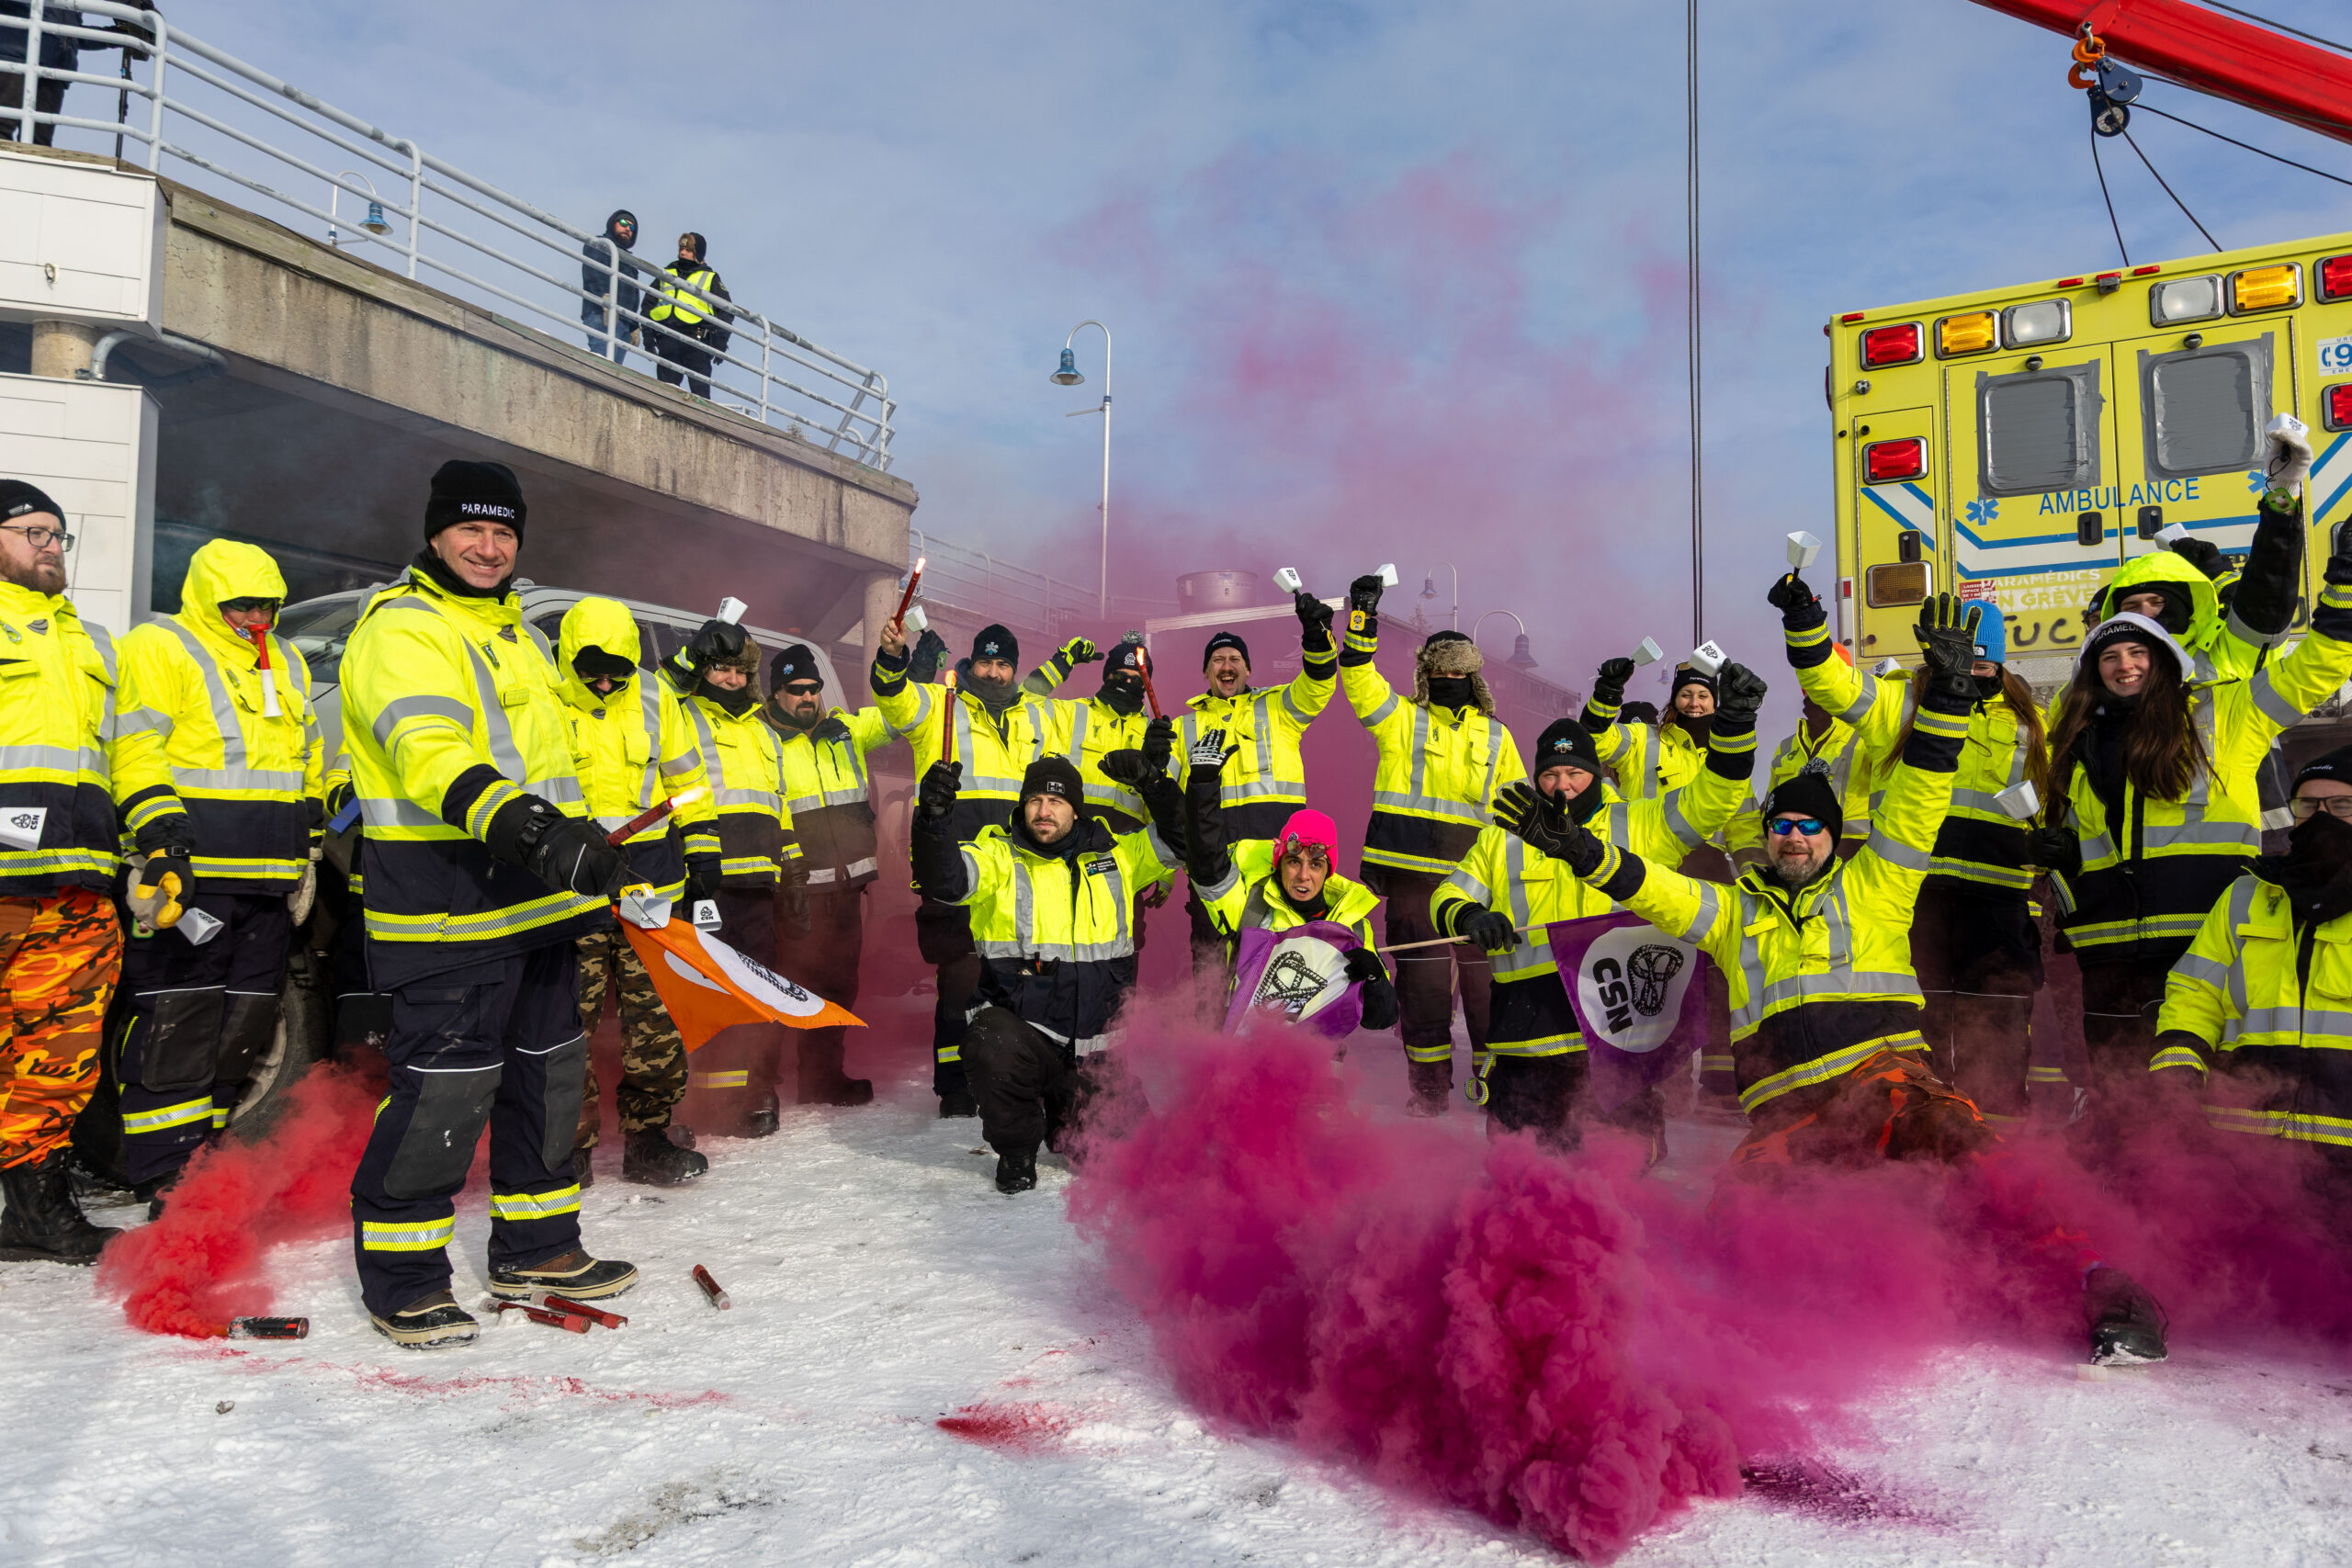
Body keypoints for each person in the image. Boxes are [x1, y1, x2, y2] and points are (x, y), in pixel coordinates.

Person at [1514, 594, 2169, 1366]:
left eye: (1808, 827)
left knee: (1977, 1155)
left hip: (1888, 1086)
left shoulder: (1878, 884)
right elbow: (1651, 887)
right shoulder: (1730, 913)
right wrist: (1581, 854)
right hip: (1793, 1120)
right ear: (1768, 839)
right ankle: (1843, 1300)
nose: (1793, 837)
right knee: (1740, 1221)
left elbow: (1921, 796)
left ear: (1831, 836)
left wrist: (1950, 702)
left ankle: (2102, 1284)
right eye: (1781, 826)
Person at [338, 460, 635, 1348]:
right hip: (447, 910)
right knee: (442, 1098)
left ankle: (538, 1248)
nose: (488, 546)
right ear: (435, 533)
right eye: (472, 530)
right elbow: (428, 750)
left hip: (535, 910)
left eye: (504, 533)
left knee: (546, 1084)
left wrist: (590, 851)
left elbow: (554, 766)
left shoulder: (517, 637)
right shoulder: (403, 630)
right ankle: (405, 1280)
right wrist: (535, 829)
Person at [2029, 485, 2352, 1148]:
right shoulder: (2076, 738)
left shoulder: (2225, 712)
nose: (2126, 665)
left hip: (2205, 952)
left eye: (2141, 652)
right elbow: (2089, 848)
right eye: (2112, 655)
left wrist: (2342, 587)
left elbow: (2318, 663)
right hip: (2110, 963)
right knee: (2123, 1115)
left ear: (2168, 657)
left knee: (2204, 1118)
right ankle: (2132, 1241)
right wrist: (2061, 864)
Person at [1433, 666, 1763, 1150]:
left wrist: (1732, 728)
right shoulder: (1501, 838)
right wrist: (1471, 917)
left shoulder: (1645, 824)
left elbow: (1719, 797)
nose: (1562, 785)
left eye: (1574, 772)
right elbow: (1448, 895)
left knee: (1620, 1172)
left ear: (1595, 772)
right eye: (1550, 773)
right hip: (1529, 1033)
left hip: (1619, 1033)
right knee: (1523, 1167)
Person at [1770, 586, 2053, 1127]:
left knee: (1997, 1031)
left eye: (1986, 661)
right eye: (1967, 658)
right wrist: (1805, 622)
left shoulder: (2036, 723)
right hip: (1909, 897)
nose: (1976, 670)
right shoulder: (1898, 704)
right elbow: (1831, 683)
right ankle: (1919, 1142)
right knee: (1914, 1026)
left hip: (1998, 903)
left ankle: (2000, 1153)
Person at [104, 540, 324, 1212]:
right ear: (207, 597)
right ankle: (162, 1176)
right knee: (179, 1023)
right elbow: (136, 748)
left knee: (244, 1028)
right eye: (241, 605)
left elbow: (307, 758)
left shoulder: (282, 657)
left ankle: (207, 1164)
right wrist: (161, 843)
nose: (256, 616)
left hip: (267, 882)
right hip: (191, 878)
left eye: (266, 604)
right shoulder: (161, 643)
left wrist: (308, 853)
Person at [909, 752, 1182, 1194]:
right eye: (1034, 800)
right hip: (1027, 1033)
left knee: (1134, 1157)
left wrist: (1157, 785)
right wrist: (933, 821)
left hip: (1095, 1051)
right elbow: (946, 880)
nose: (1043, 811)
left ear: (1076, 809)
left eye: (1055, 802)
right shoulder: (998, 855)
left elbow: (1182, 839)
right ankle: (1017, 1148)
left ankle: (1064, 1112)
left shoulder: (1119, 853)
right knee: (990, 1043)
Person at [871, 618, 1078, 1117]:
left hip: (1014, 875)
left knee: (1017, 978)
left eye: (1003, 663)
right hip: (953, 872)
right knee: (959, 981)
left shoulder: (1038, 717)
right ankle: (956, 1085)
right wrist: (893, 658)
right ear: (971, 663)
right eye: (985, 661)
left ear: (1014, 669)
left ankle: (1011, 1077)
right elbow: (893, 698)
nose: (993, 671)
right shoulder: (939, 704)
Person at [1340, 572, 1525, 1113]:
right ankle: (1428, 1089)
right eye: (1439, 672)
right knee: (1421, 990)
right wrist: (1362, 615)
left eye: (1459, 673)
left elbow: (1514, 814)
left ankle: (1492, 1082)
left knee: (1488, 989)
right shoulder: (1400, 720)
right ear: (1425, 674)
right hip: (1412, 876)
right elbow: (1357, 678)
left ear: (1474, 679)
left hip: (1476, 883)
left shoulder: (1498, 736)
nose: (1448, 679)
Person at [0, 479, 124, 1262]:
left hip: (76, 883)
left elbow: (125, 755)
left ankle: (34, 1210)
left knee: (55, 1054)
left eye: (58, 534)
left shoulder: (96, 643)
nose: (50, 545)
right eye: (31, 531)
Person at [554, 596, 716, 1189]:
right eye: (592, 669)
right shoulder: (541, 697)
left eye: (616, 670)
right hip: (567, 892)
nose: (604, 681)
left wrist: (702, 858)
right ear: (569, 658)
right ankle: (565, 1149)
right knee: (565, 1025)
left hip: (649, 890)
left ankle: (649, 1139)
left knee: (657, 1022)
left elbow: (689, 781)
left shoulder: (654, 695)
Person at [2153, 744, 2352, 1201]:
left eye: (2340, 805)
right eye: (2308, 805)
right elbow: (2194, 991)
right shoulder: (2248, 893)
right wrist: (2178, 1067)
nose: (2321, 817)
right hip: (2243, 1148)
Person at [1168, 593, 1339, 998]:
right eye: (1217, 660)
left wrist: (1316, 636)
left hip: (1280, 863)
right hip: (1214, 866)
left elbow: (1317, 686)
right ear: (1206, 672)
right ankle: (1212, 1050)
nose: (1226, 667)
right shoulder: (1181, 727)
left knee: (1285, 958)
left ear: (1248, 668)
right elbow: (1170, 806)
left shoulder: (1280, 707)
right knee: (1210, 961)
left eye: (1234, 660)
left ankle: (1280, 1044)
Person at [1181, 729, 1396, 1031]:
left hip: (1312, 1067)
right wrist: (1203, 787)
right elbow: (1206, 865)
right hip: (1244, 1057)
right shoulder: (1249, 905)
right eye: (1293, 861)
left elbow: (1380, 1020)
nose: (1303, 875)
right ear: (1279, 862)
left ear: (1329, 870)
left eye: (1316, 864)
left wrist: (1373, 979)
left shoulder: (1352, 926)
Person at [761, 641, 894, 1112]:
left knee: (839, 984)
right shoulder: (763, 742)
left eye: (813, 688)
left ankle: (822, 1078)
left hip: (847, 885)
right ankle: (763, 1085)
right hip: (796, 889)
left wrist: (907, 664)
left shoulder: (845, 730)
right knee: (785, 983)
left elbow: (899, 714)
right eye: (796, 689)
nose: (808, 697)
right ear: (776, 693)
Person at [2082, 421, 2311, 682]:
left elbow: (2269, 585)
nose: (2144, 613)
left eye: (2157, 602)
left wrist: (2282, 491)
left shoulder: (2226, 652)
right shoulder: (2099, 677)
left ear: (2185, 606)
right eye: (2131, 606)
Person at [1582, 658, 1714, 805]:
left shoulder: (1729, 750)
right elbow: (1593, 740)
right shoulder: (1642, 738)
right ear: (1674, 700)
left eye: (1703, 696)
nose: (1694, 703)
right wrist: (1607, 694)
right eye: (1686, 695)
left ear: (1714, 702)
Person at [1, 5, 135, 146]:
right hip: (15, 59)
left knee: (40, 144)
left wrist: (118, 36)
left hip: (55, 71)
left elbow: (72, 36)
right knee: (2, 130)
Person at [643, 231, 732, 400]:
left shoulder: (710, 277)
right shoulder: (667, 273)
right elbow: (648, 303)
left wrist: (721, 341)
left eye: (688, 249)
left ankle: (702, 424)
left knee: (700, 397)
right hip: (667, 337)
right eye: (681, 248)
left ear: (698, 253)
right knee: (665, 394)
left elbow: (726, 311)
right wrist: (647, 335)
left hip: (697, 341)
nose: (682, 252)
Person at [580, 209, 640, 367]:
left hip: (624, 321)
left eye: (632, 227)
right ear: (613, 224)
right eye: (623, 223)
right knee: (601, 364)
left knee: (614, 369)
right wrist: (604, 300)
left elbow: (633, 295)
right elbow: (594, 274)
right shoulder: (601, 244)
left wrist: (634, 325)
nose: (628, 228)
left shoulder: (629, 261)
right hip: (601, 313)